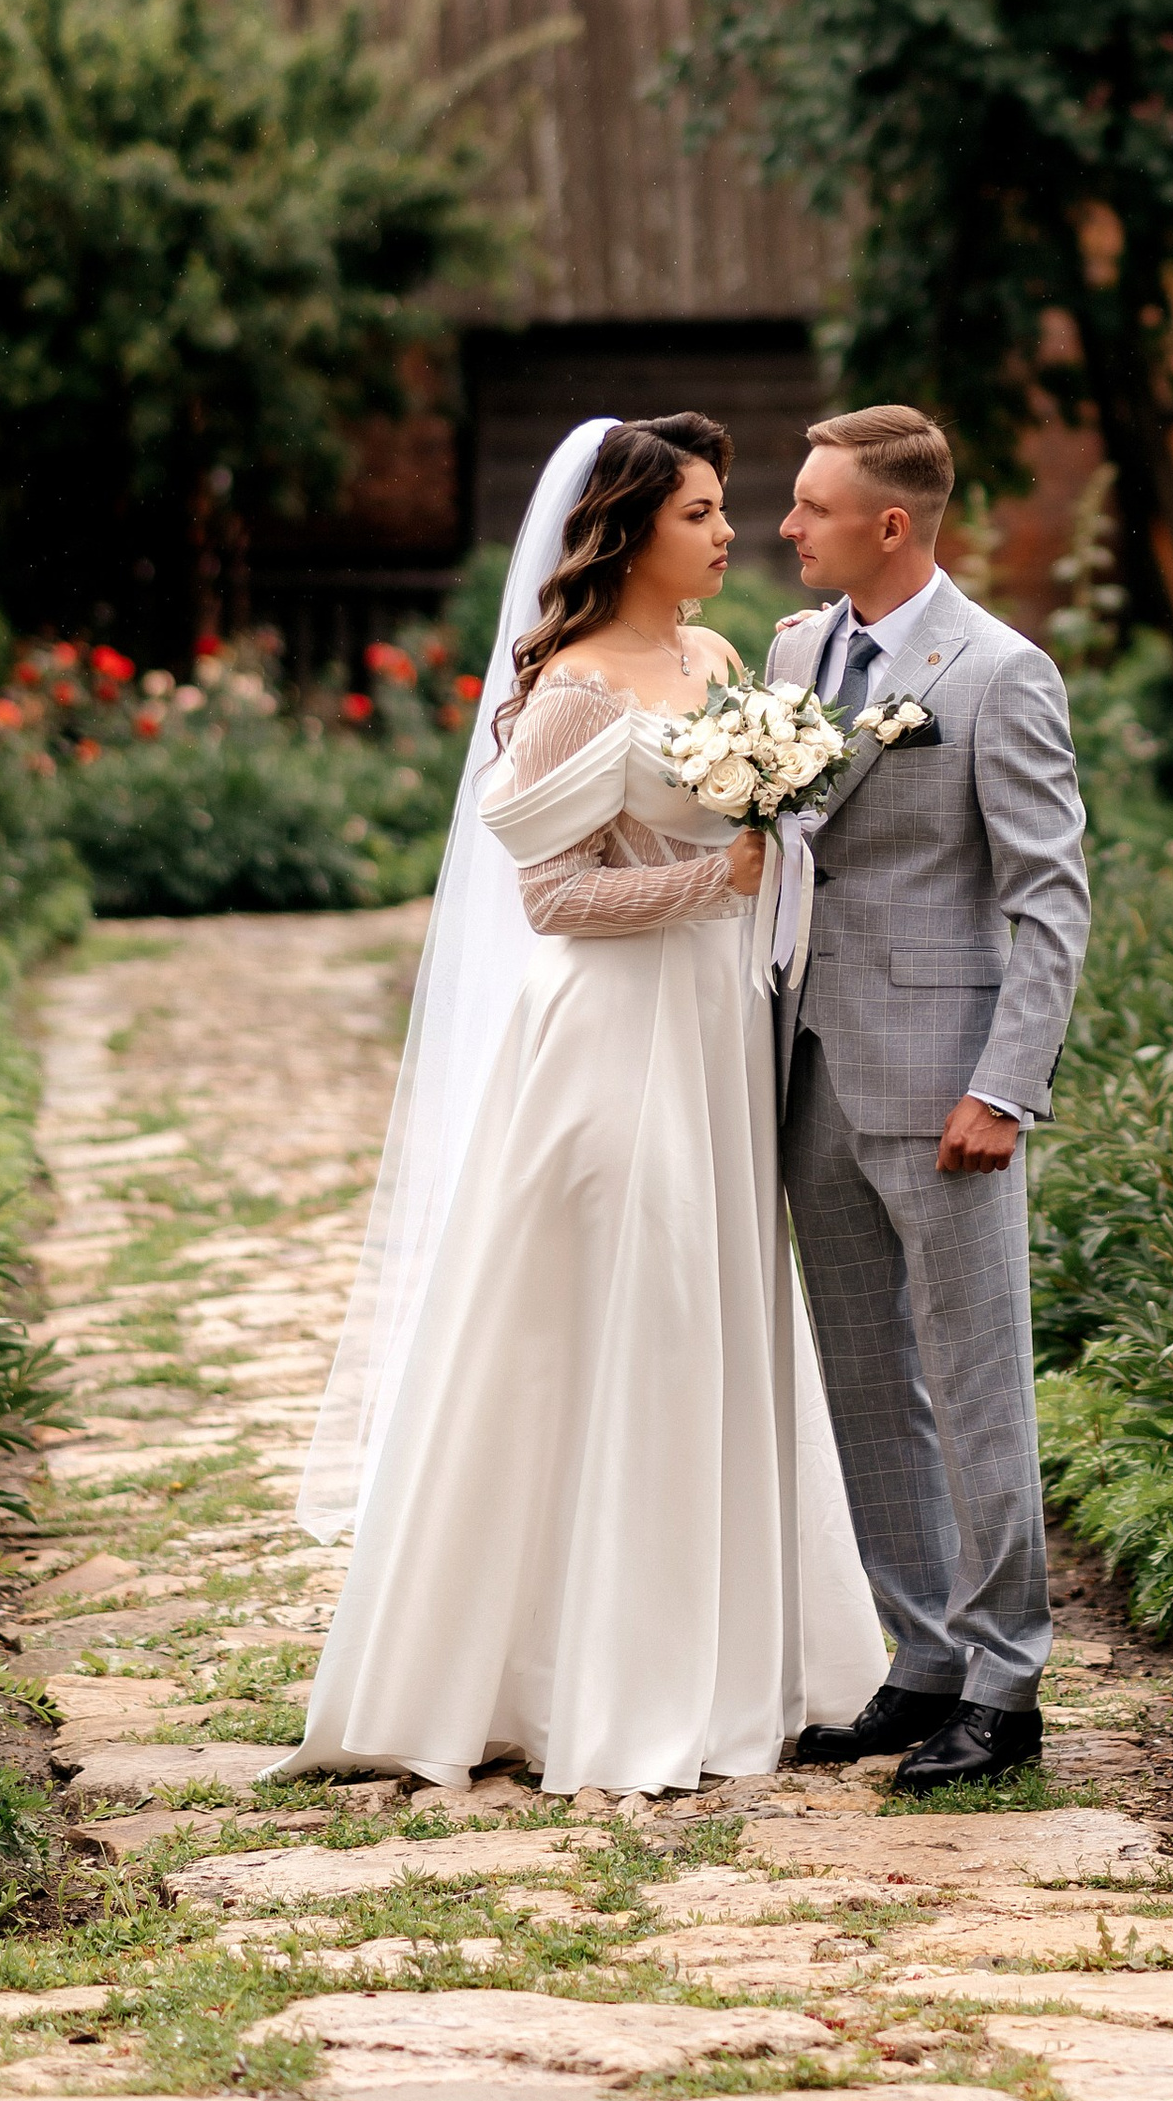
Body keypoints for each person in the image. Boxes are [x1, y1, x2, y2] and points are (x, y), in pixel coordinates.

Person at [280, 413, 884, 1798]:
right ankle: (583, 1677)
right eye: (702, 515)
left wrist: (759, 880)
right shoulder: (569, 690)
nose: (731, 535)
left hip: (717, 1031)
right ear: (625, 533)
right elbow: (549, 899)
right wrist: (708, 886)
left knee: (710, 1319)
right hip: (612, 1042)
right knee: (622, 1325)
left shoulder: (724, 664)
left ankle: (731, 1658)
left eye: (731, 511)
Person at [767, 404, 1091, 1794]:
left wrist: (1005, 1089)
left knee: (975, 1387)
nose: (785, 526)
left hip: (948, 1087)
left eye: (812, 506)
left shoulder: (1001, 674)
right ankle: (923, 1661)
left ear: (889, 525)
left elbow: (1048, 901)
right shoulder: (793, 654)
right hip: (808, 1075)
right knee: (865, 1386)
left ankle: (1008, 1691)